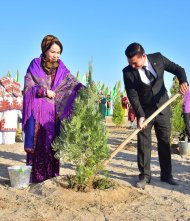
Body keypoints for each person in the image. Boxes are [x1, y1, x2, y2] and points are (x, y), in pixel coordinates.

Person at [123, 42, 188, 189]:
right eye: (130, 63)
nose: (132, 66)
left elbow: (178, 69)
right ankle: (145, 176)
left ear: (143, 56)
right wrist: (140, 115)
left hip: (163, 108)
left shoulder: (158, 59)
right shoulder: (127, 72)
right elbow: (132, 96)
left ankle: (166, 175)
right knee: (144, 144)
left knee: (164, 142)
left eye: (135, 63)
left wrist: (183, 81)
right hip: (144, 113)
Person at [22, 35, 83, 183]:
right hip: (36, 114)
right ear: (45, 50)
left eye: (58, 52)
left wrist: (84, 91)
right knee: (38, 146)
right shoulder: (35, 64)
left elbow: (72, 83)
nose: (56, 55)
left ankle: (50, 176)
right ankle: (35, 177)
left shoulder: (61, 67)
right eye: (53, 52)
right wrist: (44, 91)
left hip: (53, 115)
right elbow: (28, 87)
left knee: (52, 145)